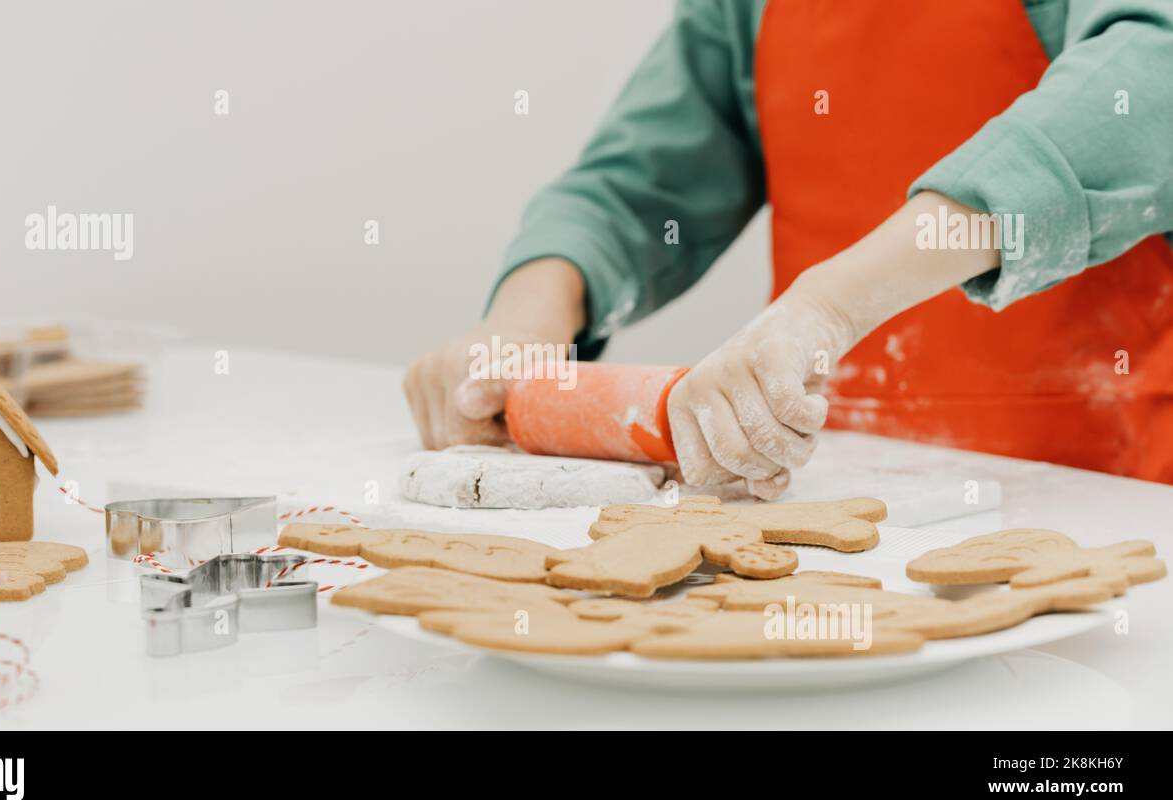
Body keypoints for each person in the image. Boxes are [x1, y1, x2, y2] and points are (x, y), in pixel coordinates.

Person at [403, 0, 1173, 499]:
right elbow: (633, 187)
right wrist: (527, 318)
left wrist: (829, 305)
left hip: (1105, 502)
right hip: (834, 504)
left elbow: (1146, 87)